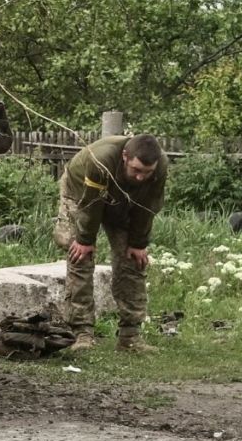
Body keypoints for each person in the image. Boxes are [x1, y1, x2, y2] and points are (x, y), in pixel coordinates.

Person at [53, 134, 168, 353]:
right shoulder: (101, 159)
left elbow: (149, 204)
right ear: (125, 156)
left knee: (133, 261)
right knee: (80, 256)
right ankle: (82, 333)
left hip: (123, 199)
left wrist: (138, 242)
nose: (141, 177)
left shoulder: (160, 165)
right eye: (136, 170)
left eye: (147, 172)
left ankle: (130, 336)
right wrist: (85, 240)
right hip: (81, 193)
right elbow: (91, 203)